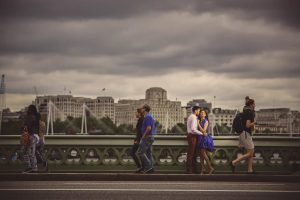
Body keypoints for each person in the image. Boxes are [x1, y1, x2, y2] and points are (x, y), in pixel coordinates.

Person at [230, 98, 256, 174]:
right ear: (251, 104)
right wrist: (254, 123)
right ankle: (234, 162)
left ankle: (250, 170)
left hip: (243, 133)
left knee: (250, 151)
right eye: (254, 104)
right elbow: (248, 125)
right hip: (245, 133)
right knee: (250, 153)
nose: (255, 105)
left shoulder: (245, 111)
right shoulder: (249, 112)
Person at [136, 104, 156, 173]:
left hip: (147, 137)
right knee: (148, 153)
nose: (140, 110)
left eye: (141, 108)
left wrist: (143, 137)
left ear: (144, 109)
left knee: (140, 152)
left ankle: (148, 167)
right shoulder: (148, 117)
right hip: (150, 137)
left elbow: (148, 128)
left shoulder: (147, 117)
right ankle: (151, 168)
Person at [186, 106, 205, 174]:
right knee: (191, 153)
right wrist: (201, 133)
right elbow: (193, 129)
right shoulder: (194, 117)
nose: (199, 112)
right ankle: (190, 170)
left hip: (191, 135)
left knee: (192, 153)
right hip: (192, 136)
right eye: (199, 111)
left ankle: (192, 169)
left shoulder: (191, 116)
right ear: (195, 111)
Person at [22, 105, 40, 173]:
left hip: (30, 136)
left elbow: (26, 127)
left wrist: (23, 127)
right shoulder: (36, 117)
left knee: (25, 152)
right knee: (32, 153)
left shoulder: (30, 117)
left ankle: (29, 167)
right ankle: (34, 168)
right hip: (36, 136)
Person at [197, 110, 215, 174]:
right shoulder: (199, 120)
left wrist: (198, 124)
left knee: (204, 154)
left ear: (205, 114)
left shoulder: (206, 121)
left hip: (203, 138)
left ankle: (210, 168)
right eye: (201, 113)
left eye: (203, 113)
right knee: (201, 155)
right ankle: (202, 169)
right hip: (199, 138)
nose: (202, 114)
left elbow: (204, 130)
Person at [131, 108, 144, 173]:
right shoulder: (141, 120)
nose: (135, 114)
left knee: (132, 153)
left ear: (139, 113)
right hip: (140, 139)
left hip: (139, 140)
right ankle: (142, 167)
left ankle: (140, 167)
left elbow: (140, 132)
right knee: (141, 153)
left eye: (136, 113)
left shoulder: (141, 120)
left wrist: (137, 140)